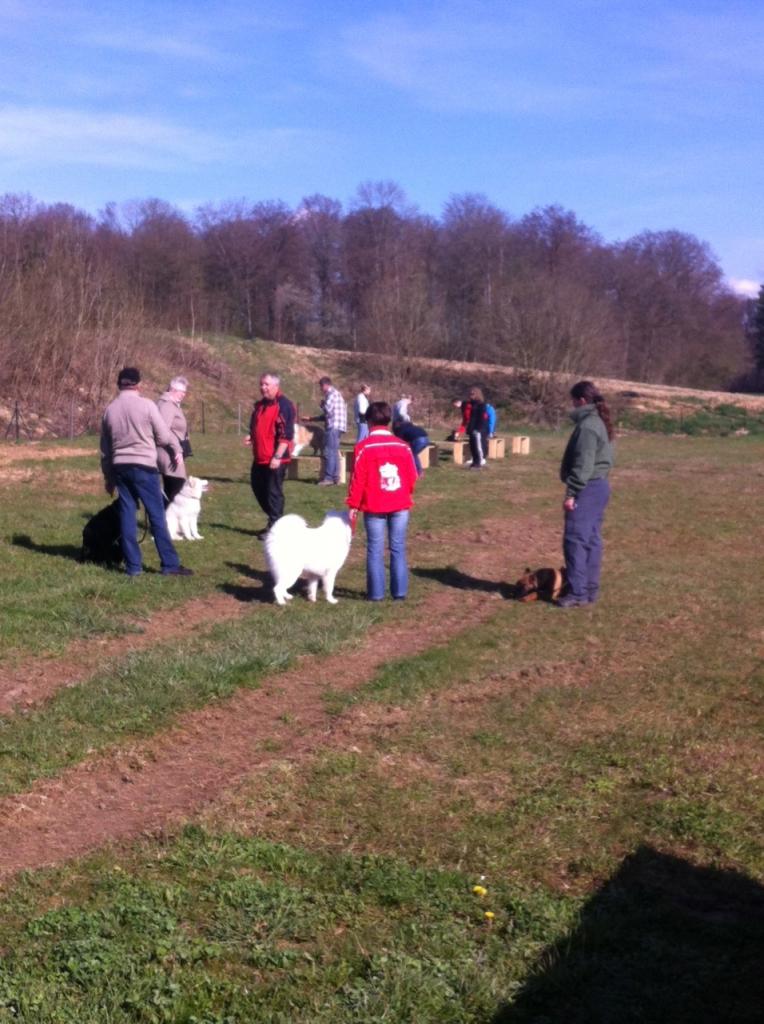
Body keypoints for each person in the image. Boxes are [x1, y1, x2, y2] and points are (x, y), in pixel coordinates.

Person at [100, 366, 192, 577]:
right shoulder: (147, 405)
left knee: (127, 515)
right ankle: (169, 564)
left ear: (119, 384)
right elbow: (163, 435)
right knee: (157, 516)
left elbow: (105, 450)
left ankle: (133, 567)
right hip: (144, 467)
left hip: (120, 468)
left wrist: (108, 478)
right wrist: (175, 447)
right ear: (139, 384)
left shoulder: (110, 410)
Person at [347, 401, 418, 601]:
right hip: (400, 503)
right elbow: (412, 476)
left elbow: (357, 480)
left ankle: (376, 594)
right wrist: (405, 492)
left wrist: (353, 505)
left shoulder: (363, 448)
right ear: (388, 420)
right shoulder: (403, 446)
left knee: (375, 549)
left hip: (374, 505)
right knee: (398, 547)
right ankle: (399, 593)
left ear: (369, 421)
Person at [557, 380, 615, 608]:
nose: (572, 405)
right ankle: (590, 591)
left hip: (588, 488)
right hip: (599, 486)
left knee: (575, 540)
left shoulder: (589, 426)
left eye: (573, 401)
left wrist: (572, 493)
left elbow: (583, 464)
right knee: (590, 540)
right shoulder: (600, 421)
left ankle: (578, 593)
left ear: (581, 400)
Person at [245, 372, 295, 534]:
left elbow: (286, 434)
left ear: (276, 386)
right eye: (261, 384)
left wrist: (277, 456)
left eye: (266, 384)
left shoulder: (284, 405)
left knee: (273, 492)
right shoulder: (260, 406)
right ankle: (276, 520)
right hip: (260, 456)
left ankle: (275, 526)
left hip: (276, 458)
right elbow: (256, 426)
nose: (263, 387)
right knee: (258, 487)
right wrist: (251, 436)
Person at [304, 376, 347, 486]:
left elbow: (327, 410)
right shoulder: (336, 394)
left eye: (321, 386)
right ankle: (336, 477)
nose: (321, 389)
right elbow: (327, 415)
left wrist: (322, 404)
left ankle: (328, 478)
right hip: (338, 426)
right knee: (334, 452)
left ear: (325, 385)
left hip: (333, 426)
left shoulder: (331, 394)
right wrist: (311, 419)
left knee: (329, 452)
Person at [157, 375, 191, 505]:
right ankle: (168, 520)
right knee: (177, 488)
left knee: (172, 489)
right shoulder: (167, 405)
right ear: (172, 389)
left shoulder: (171, 404)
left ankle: (164, 520)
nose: (183, 395)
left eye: (185, 392)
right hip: (169, 454)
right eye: (181, 392)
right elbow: (164, 430)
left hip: (171, 452)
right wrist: (177, 449)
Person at [465, 386, 490, 468]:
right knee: (472, 446)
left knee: (478, 446)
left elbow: (482, 418)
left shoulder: (481, 405)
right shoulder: (471, 404)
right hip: (471, 428)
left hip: (478, 429)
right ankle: (474, 461)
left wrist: (478, 429)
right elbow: (470, 417)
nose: (470, 395)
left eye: (472, 394)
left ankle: (479, 462)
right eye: (470, 394)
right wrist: (469, 428)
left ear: (477, 394)